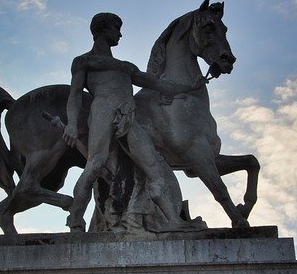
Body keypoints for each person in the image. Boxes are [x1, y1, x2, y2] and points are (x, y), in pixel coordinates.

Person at [63, 12, 204, 232]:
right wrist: (71, 124)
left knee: (153, 166)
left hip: (129, 113)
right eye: (116, 28)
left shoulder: (126, 66)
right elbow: (74, 95)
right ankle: (75, 220)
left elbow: (157, 84)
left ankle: (172, 220)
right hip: (102, 108)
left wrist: (191, 86)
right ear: (101, 29)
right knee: (95, 163)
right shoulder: (84, 61)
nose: (120, 33)